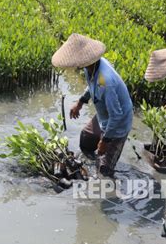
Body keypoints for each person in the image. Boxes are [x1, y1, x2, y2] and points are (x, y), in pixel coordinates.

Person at [51, 33, 133, 177]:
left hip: (118, 122)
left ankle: (107, 182)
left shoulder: (106, 81)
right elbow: (92, 86)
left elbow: (116, 115)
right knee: (86, 139)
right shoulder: (91, 67)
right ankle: (95, 159)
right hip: (105, 114)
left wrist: (105, 141)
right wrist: (80, 102)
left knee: (104, 170)